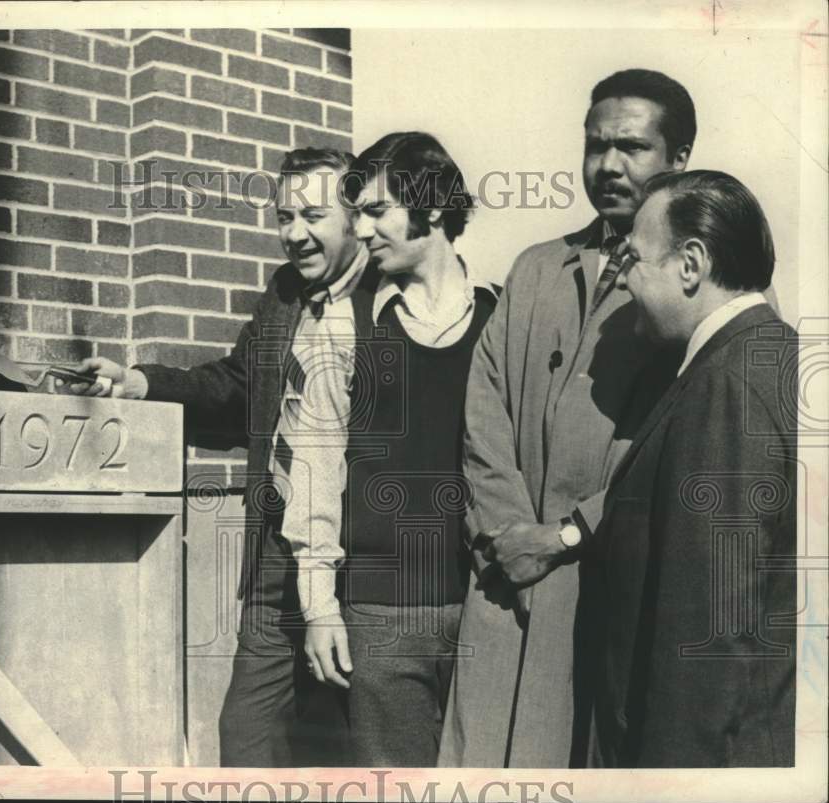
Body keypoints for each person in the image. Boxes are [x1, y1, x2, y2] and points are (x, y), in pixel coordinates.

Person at [65, 146, 369, 767]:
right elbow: (240, 389)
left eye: (313, 216)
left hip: (367, 554)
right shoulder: (284, 294)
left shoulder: (389, 294)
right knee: (247, 736)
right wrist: (138, 383)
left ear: (355, 216)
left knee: (355, 740)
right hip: (277, 549)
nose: (294, 234)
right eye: (284, 217)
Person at [439, 68, 696, 767]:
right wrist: (511, 538)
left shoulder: (698, 282)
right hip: (505, 583)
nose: (608, 165)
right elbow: (485, 412)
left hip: (608, 587)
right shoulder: (534, 270)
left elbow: (684, 442)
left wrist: (562, 538)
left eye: (632, 147)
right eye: (595, 145)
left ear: (678, 158)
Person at [581, 170, 797, 766]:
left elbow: (708, 636)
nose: (622, 279)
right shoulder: (776, 358)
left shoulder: (725, 386)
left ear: (691, 264)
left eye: (634, 259)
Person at [337, 131, 499, 766]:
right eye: (357, 215)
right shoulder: (348, 317)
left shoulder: (502, 317)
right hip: (382, 608)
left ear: (430, 206)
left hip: (486, 602)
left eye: (377, 211)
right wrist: (320, 605)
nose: (362, 230)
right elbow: (317, 463)